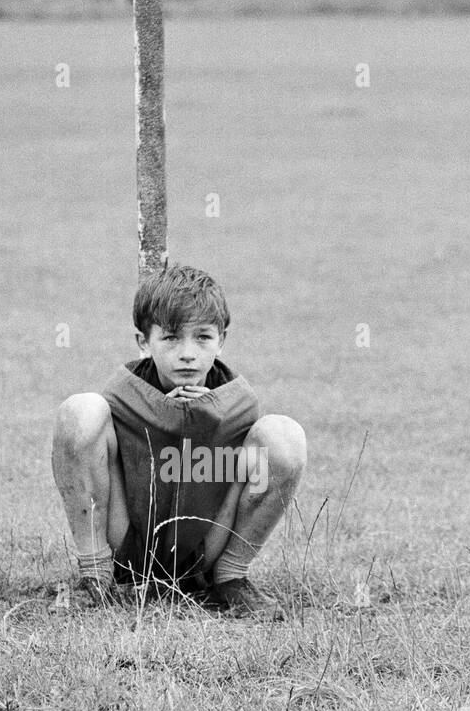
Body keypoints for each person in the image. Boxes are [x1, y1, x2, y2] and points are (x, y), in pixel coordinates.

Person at [52, 265, 306, 618]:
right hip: (128, 539)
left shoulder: (237, 401)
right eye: (171, 337)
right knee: (79, 410)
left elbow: (219, 474)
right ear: (144, 342)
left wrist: (205, 414)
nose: (188, 353)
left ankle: (231, 577)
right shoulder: (123, 393)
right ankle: (95, 575)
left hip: (206, 546)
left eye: (202, 337)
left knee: (284, 436)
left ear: (222, 341)